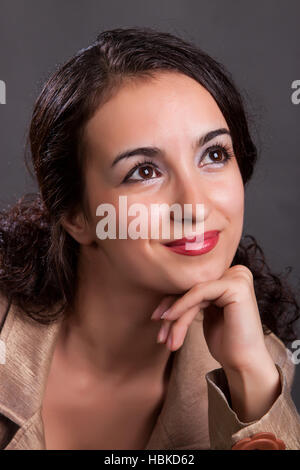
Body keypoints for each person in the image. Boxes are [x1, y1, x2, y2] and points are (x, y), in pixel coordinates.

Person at [0, 26, 300, 450]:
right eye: (143, 171)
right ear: (74, 214)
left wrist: (251, 380)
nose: (194, 206)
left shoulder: (256, 362)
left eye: (214, 155)